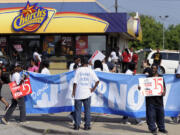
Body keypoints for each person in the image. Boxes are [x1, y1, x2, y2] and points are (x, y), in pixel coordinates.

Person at [139, 64, 168, 134]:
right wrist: (140, 88)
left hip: (159, 100)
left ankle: (161, 128)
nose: (153, 70)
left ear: (157, 69)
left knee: (160, 115)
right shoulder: (148, 79)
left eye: (155, 68)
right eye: (152, 68)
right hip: (150, 100)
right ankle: (153, 129)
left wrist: (164, 92)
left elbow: (164, 88)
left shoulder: (161, 78)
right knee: (151, 116)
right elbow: (143, 88)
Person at [72, 57, 99, 130]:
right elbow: (97, 81)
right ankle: (87, 126)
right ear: (87, 63)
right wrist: (93, 89)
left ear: (81, 63)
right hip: (87, 93)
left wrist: (73, 92)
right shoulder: (91, 70)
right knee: (87, 110)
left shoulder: (78, 70)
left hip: (78, 93)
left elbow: (75, 82)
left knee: (78, 110)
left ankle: (77, 126)